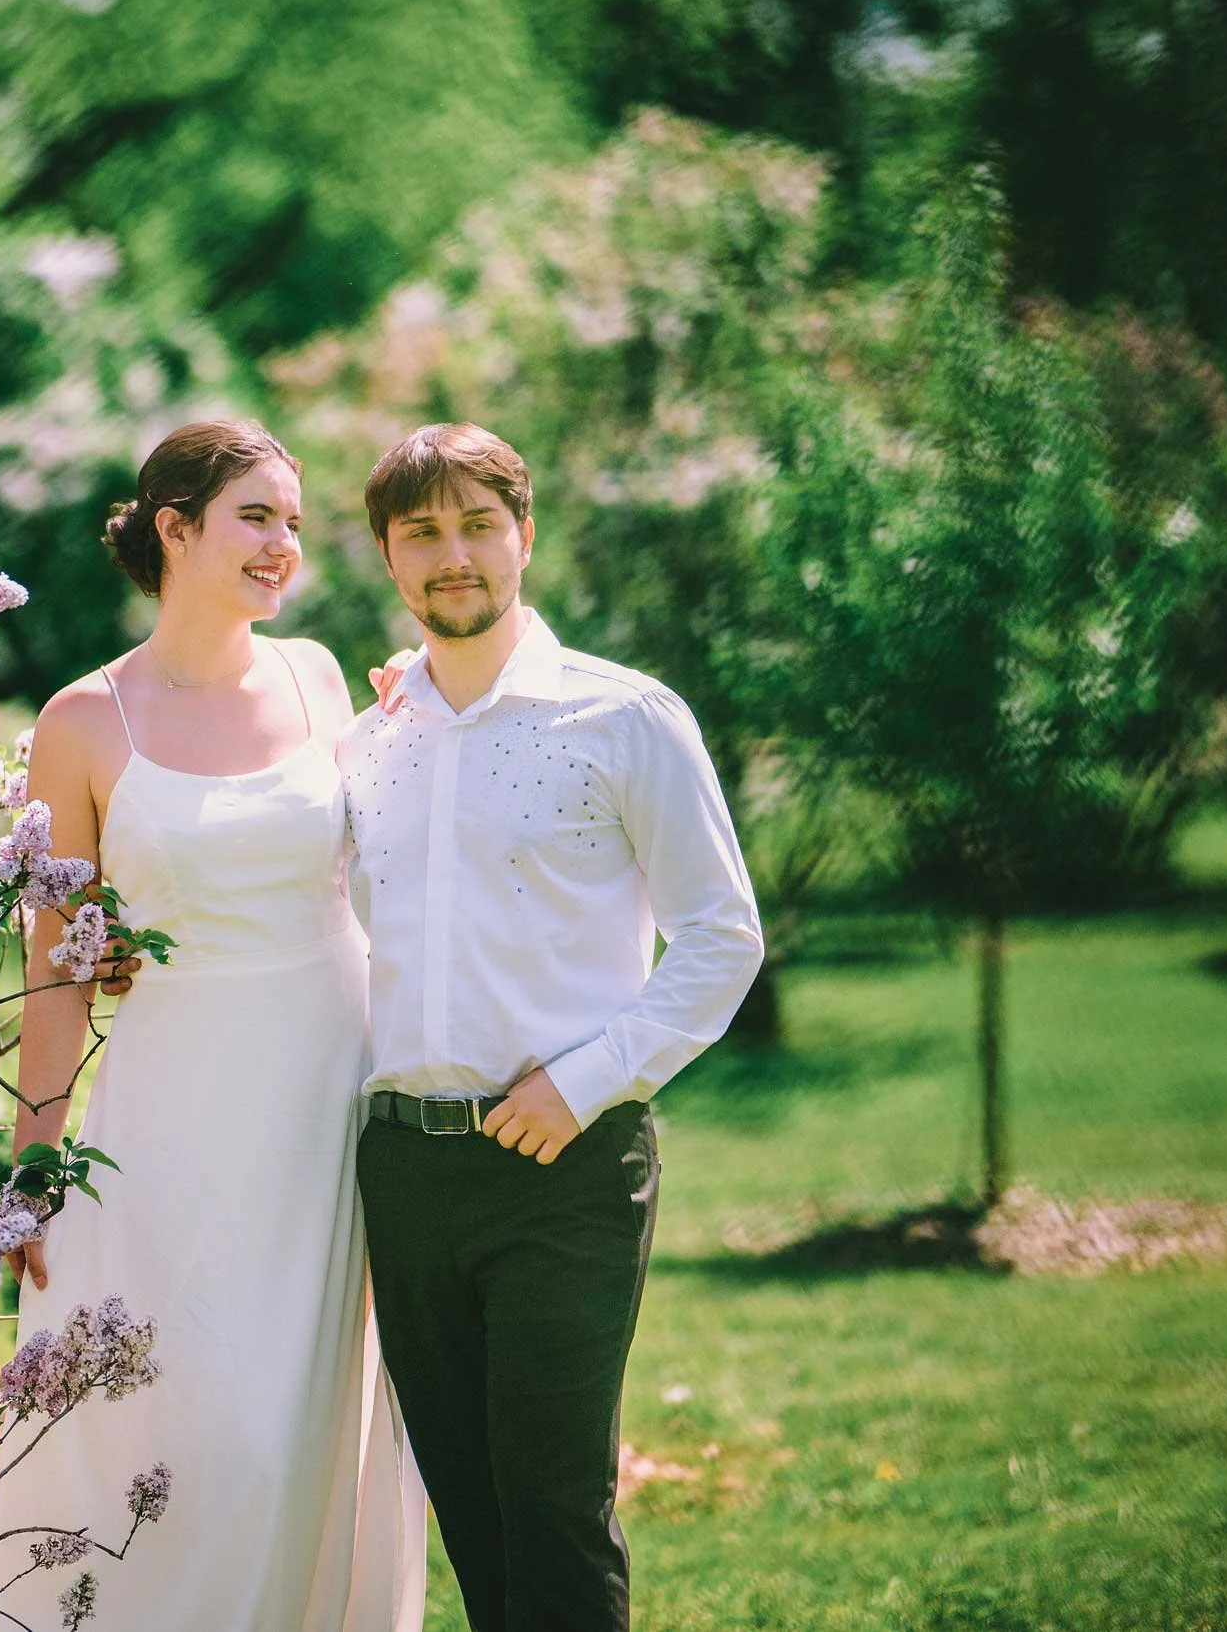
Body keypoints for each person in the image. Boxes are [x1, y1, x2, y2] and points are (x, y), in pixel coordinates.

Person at [0, 421, 424, 1632]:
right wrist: (35, 1161)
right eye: (254, 517)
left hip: (326, 1089)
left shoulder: (322, 676)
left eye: (289, 518)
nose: (284, 544)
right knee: (179, 1414)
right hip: (168, 1109)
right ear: (174, 528)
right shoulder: (82, 721)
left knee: (296, 1426)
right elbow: (58, 963)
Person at [341, 422, 764, 1632]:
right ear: (387, 556)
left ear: (523, 534)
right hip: (404, 1171)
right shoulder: (368, 743)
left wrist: (585, 1084)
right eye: (421, 532)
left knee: (554, 1506)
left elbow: (722, 937)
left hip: (565, 1164)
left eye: (478, 524)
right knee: (470, 1512)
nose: (452, 554)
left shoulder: (625, 719)